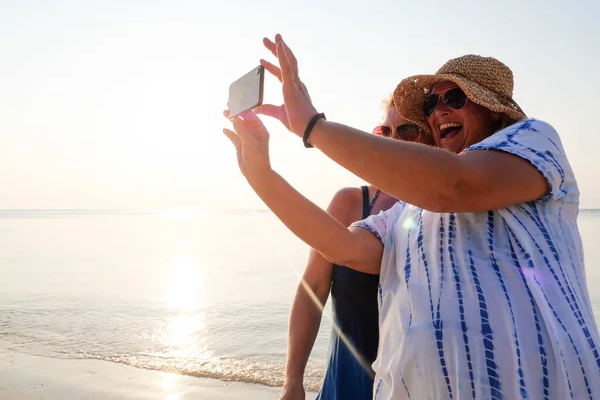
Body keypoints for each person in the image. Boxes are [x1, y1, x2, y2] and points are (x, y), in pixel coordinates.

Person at [223, 35, 600, 399]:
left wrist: (312, 127)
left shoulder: (532, 140)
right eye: (431, 105)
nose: (438, 111)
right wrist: (261, 175)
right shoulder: (407, 210)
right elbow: (345, 248)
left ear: (493, 108)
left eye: (453, 98)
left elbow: (455, 186)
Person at [281, 99, 433, 400]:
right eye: (384, 131)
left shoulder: (441, 211)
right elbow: (312, 288)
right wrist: (292, 380)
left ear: (428, 138)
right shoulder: (350, 204)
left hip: (417, 385)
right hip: (348, 381)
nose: (393, 140)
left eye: (407, 131)